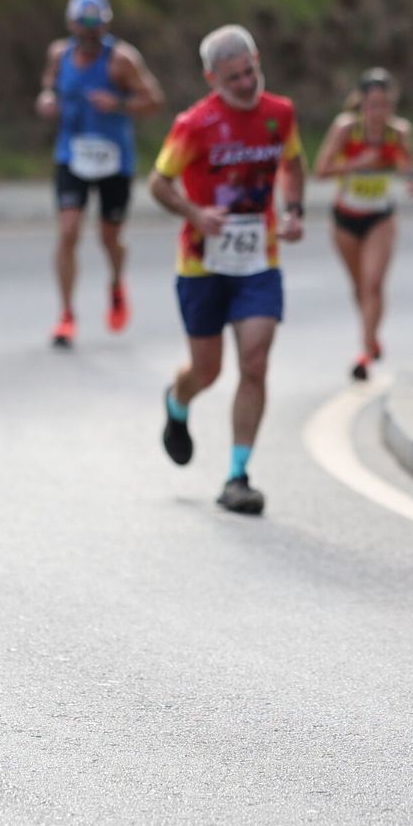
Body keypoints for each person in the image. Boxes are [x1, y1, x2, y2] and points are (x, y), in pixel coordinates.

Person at [148, 25, 305, 516]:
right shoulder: (194, 124)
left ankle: (238, 476)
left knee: (254, 362)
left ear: (258, 60)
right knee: (208, 370)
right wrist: (196, 214)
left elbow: (293, 165)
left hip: (259, 261)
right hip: (202, 262)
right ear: (211, 77)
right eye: (233, 77)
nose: (245, 83)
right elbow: (158, 182)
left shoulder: (280, 114)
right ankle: (177, 402)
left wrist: (295, 209)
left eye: (250, 71)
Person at [34, 0, 164, 349]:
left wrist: (119, 103)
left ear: (105, 26)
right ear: (71, 25)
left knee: (108, 237)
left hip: (113, 160)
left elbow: (154, 99)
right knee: (68, 230)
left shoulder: (121, 60)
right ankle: (66, 315)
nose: (88, 35)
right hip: (71, 155)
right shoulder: (59, 54)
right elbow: (49, 85)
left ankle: (117, 281)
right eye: (82, 27)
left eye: (95, 28)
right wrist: (47, 98)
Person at [313, 67, 413, 381]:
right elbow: (321, 170)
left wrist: (412, 181)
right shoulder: (347, 129)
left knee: (373, 284)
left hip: (380, 217)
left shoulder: (399, 132)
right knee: (360, 287)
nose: (378, 112)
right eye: (373, 105)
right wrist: (355, 164)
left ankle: (364, 352)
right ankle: (371, 336)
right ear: (361, 104)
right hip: (346, 218)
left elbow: (408, 162)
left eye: (385, 105)